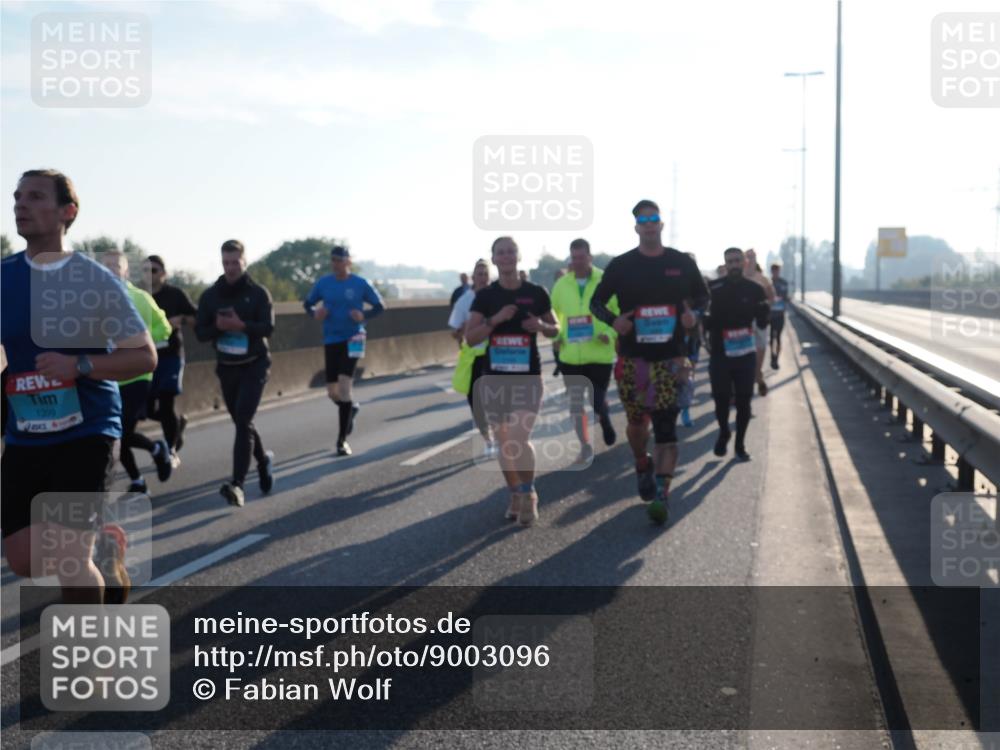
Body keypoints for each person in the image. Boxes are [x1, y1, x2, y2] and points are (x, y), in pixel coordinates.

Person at [2, 169, 156, 604]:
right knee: (24, 562)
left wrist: (80, 364)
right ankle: (104, 545)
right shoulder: (4, 276)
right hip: (26, 433)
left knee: (71, 561)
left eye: (34, 197)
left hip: (86, 430)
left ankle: (89, 667)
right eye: (17, 197)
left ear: (67, 212)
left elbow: (143, 356)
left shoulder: (94, 280)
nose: (20, 204)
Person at [590, 200, 709, 525]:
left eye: (653, 218)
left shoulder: (680, 262)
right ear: (636, 227)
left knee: (667, 431)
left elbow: (703, 297)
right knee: (638, 425)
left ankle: (661, 495)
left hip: (671, 359)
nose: (649, 224)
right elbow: (596, 302)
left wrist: (692, 315)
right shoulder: (621, 265)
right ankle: (641, 461)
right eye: (643, 219)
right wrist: (615, 322)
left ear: (661, 224)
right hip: (633, 360)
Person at [465, 237, 559, 527]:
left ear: (518, 257)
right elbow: (471, 338)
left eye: (510, 252)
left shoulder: (536, 292)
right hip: (495, 379)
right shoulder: (485, 297)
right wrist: (494, 320)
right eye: (500, 253)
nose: (506, 257)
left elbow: (555, 329)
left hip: (528, 377)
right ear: (493, 259)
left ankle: (529, 492)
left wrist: (541, 326)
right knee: (505, 443)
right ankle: (515, 493)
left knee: (519, 439)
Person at [195, 239, 275, 507]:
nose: (230, 268)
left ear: (244, 262)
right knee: (243, 422)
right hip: (227, 367)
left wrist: (242, 325)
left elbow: (268, 328)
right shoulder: (211, 296)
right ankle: (263, 461)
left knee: (243, 420)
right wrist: (218, 327)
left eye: (235, 263)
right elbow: (200, 333)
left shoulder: (258, 293)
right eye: (226, 263)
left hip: (255, 364)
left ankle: (237, 484)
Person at [100, 250, 174, 495]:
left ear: (126, 271)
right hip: (109, 377)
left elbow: (164, 329)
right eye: (106, 265)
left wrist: (136, 342)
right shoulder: (93, 300)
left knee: (121, 431)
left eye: (116, 266)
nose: (110, 270)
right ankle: (139, 478)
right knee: (113, 434)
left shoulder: (140, 298)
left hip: (137, 375)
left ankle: (155, 452)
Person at [303, 245, 385, 456]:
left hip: (354, 337)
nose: (335, 264)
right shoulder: (324, 283)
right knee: (333, 392)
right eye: (333, 260)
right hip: (331, 338)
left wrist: (363, 315)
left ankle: (342, 441)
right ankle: (351, 409)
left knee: (345, 386)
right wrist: (315, 313)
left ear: (348, 261)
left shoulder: (360, 284)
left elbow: (379, 306)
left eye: (339, 260)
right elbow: (308, 304)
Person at [550, 238, 617, 463]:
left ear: (590, 256)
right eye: (574, 258)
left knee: (597, 401)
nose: (577, 262)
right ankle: (585, 446)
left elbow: (618, 312)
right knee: (576, 404)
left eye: (581, 257)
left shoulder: (604, 280)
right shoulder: (562, 285)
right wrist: (557, 336)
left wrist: (610, 334)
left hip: (599, 353)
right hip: (571, 355)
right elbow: (554, 316)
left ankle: (605, 419)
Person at [704, 248, 770, 461]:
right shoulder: (714, 289)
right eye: (729, 261)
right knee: (721, 400)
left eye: (737, 261)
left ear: (743, 263)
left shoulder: (755, 289)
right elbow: (703, 316)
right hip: (720, 354)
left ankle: (740, 445)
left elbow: (762, 321)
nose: (733, 265)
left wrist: (764, 313)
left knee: (744, 401)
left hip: (745, 354)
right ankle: (724, 431)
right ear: (725, 263)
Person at [143, 254, 197, 462]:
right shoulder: (140, 295)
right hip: (147, 358)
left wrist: (181, 319)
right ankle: (177, 424)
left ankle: (170, 449)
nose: (149, 275)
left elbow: (196, 317)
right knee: (146, 409)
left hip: (171, 356)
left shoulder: (175, 295)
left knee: (166, 402)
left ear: (163, 274)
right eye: (146, 270)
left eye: (154, 270)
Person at [448, 258, 495, 457]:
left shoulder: (498, 296)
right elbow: (454, 331)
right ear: (473, 277)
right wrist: (463, 331)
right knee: (475, 399)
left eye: (486, 274)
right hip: (474, 354)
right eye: (479, 274)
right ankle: (488, 439)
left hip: (496, 352)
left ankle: (501, 433)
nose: (483, 278)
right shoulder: (465, 300)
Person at [743, 249, 775, 396]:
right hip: (742, 322)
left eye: (753, 257)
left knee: (760, 349)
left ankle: (758, 374)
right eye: (748, 257)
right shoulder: (739, 277)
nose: (750, 259)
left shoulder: (763, 279)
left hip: (759, 320)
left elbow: (772, 298)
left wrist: (762, 307)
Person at [769, 262, 790, 369]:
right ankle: (772, 356)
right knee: (771, 338)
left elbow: (786, 297)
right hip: (770, 315)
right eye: (774, 271)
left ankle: (776, 358)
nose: (775, 273)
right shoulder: (768, 283)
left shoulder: (784, 283)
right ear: (771, 271)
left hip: (780, 314)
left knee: (778, 337)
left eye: (777, 271)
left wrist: (784, 299)